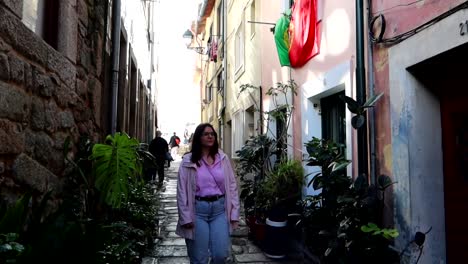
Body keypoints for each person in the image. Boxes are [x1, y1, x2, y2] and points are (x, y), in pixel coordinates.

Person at [176, 123, 240, 264]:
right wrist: (185, 217)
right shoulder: (188, 161)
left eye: (212, 134)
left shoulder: (223, 158)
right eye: (206, 134)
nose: (210, 136)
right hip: (198, 212)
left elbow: (232, 186)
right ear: (199, 138)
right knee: (199, 258)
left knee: (221, 255)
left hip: (219, 210)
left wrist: (234, 212)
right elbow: (181, 191)